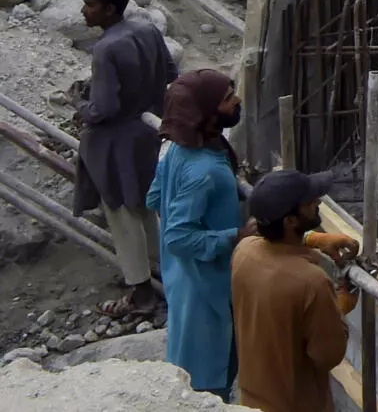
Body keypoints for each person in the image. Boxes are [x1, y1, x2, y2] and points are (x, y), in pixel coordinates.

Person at [73, 0, 175, 319]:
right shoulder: (147, 30)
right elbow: (171, 73)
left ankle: (142, 294)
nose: (84, 12)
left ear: (109, 9)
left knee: (122, 215)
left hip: (115, 143)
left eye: (90, 5)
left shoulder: (105, 48)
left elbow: (105, 109)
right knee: (147, 208)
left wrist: (80, 105)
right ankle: (167, 275)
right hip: (146, 133)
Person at [148, 70, 245, 395]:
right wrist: (234, 236)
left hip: (184, 278)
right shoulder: (203, 171)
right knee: (210, 374)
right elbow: (177, 236)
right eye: (227, 99)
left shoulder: (177, 151)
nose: (237, 102)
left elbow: (154, 197)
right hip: (209, 286)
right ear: (204, 111)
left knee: (190, 362)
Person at [232, 170, 357, 412]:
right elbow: (327, 356)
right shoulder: (311, 282)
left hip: (253, 399)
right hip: (296, 404)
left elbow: (262, 239)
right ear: (290, 221)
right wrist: (339, 309)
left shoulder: (244, 252)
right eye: (309, 203)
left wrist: (312, 239)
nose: (318, 202)